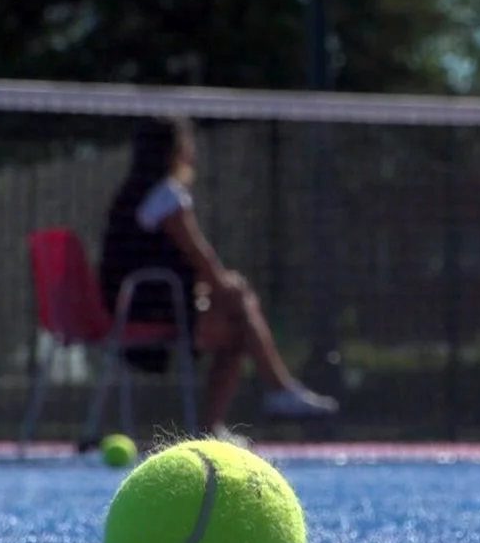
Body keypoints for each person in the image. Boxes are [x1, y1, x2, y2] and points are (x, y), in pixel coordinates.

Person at [98, 117, 338, 435]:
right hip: (151, 311)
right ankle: (277, 391)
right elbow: (201, 258)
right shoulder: (167, 195)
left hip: (137, 306)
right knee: (238, 299)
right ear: (175, 149)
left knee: (238, 323)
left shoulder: (130, 195)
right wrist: (226, 287)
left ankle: (232, 417)